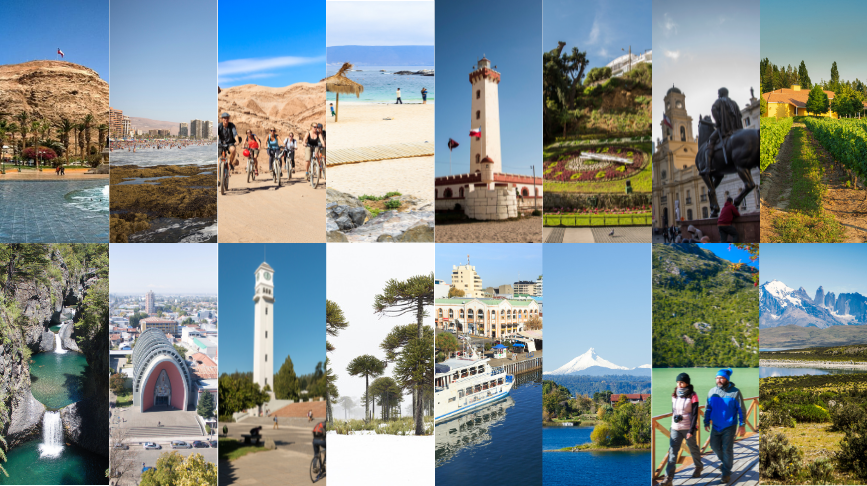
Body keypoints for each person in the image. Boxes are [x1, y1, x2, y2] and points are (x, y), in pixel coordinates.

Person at [704, 369, 746, 485]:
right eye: (717, 378)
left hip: (730, 425)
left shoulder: (735, 392)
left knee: (727, 449)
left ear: (727, 379)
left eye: (721, 378)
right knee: (714, 446)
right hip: (715, 426)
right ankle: (726, 463)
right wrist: (706, 421)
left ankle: (726, 473)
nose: (719, 380)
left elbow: (741, 409)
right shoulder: (711, 392)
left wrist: (742, 425)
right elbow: (708, 408)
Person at [662, 373, 703, 486]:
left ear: (687, 383)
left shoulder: (693, 395)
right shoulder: (674, 395)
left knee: (693, 448)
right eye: (678, 382)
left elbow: (695, 414)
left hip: (688, 427)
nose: (679, 385)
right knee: (672, 452)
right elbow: (674, 411)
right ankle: (668, 479)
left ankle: (698, 466)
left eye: (681, 382)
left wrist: (691, 430)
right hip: (675, 427)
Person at [704, 87, 743, 177]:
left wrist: (718, 122)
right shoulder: (734, 103)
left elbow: (713, 109)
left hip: (725, 129)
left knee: (711, 140)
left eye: (719, 93)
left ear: (721, 93)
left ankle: (708, 167)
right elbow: (739, 115)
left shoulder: (720, 101)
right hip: (737, 129)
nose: (718, 95)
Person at [217, 112, 240, 178]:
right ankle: (219, 178)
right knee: (219, 161)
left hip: (230, 143)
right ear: (222, 119)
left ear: (229, 119)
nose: (226, 119)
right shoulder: (219, 126)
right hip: (221, 144)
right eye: (224, 118)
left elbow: (235, 134)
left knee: (233, 150)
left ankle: (230, 164)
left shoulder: (231, 125)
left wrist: (237, 141)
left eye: (227, 118)